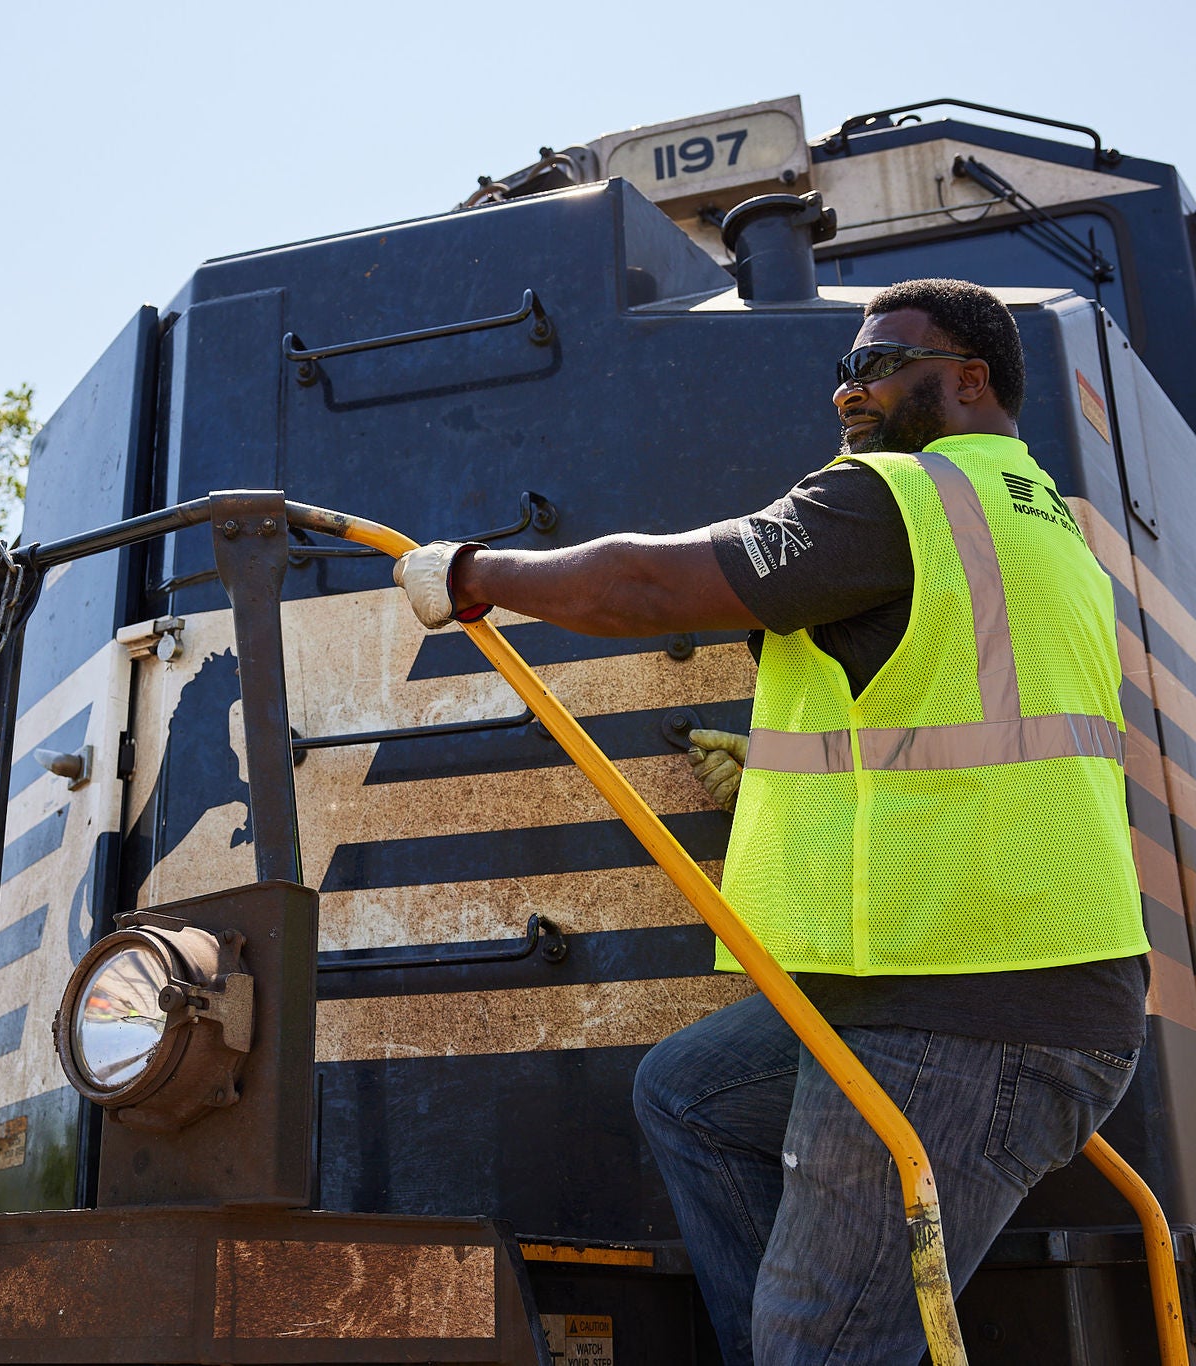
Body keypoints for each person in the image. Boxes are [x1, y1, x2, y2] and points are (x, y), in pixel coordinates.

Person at [392, 278, 1150, 1365]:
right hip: (991, 978)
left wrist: (470, 573)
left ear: (969, 378)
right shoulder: (1036, 520)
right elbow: (946, 713)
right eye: (841, 368)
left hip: (960, 1015)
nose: (849, 388)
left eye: (880, 363)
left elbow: (648, 591)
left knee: (827, 1349)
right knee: (693, 1093)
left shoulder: (900, 496)